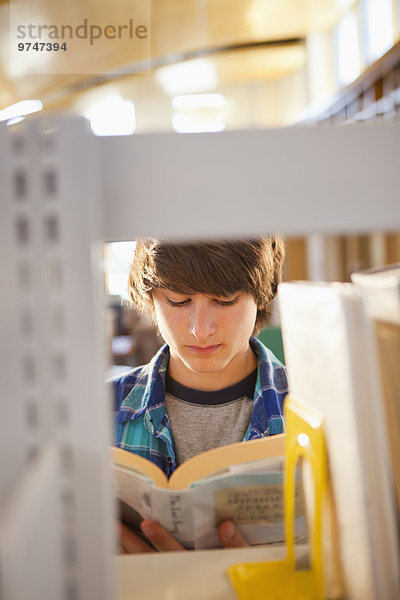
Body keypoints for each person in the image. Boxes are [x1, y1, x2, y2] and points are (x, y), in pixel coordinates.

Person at [112, 236, 288, 552]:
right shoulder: (98, 409)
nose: (201, 330)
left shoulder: (314, 406)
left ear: (262, 293)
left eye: (226, 299)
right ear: (150, 297)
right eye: (179, 301)